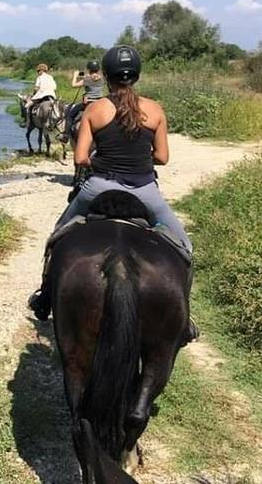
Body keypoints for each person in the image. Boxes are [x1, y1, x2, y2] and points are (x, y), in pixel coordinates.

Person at [28, 45, 196, 339]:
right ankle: (185, 319)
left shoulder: (96, 109)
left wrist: (102, 159)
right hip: (145, 190)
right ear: (137, 76)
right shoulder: (155, 109)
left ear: (106, 76)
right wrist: (139, 159)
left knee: (57, 235)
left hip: (99, 187)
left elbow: (80, 159)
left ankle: (45, 297)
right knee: (184, 247)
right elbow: (163, 157)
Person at [60, 60, 105, 142]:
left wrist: (75, 75)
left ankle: (65, 136)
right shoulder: (102, 79)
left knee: (70, 115)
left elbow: (73, 85)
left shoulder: (86, 80)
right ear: (98, 69)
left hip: (88, 103)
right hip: (99, 103)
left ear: (89, 69)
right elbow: (95, 77)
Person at [20, 63, 58, 127]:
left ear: (41, 71)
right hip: (52, 97)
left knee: (27, 106)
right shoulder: (51, 77)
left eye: (38, 71)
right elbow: (55, 87)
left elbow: (36, 88)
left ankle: (27, 122)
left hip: (41, 96)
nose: (38, 72)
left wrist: (34, 94)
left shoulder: (39, 77)